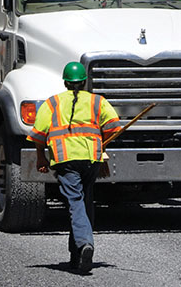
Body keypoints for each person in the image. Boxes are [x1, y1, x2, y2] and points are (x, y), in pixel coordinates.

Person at [27, 62, 122, 274]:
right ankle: (77, 256)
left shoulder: (52, 103)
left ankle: (84, 243)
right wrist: (100, 146)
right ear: (84, 81)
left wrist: (41, 158)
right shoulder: (98, 101)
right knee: (85, 203)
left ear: (65, 81)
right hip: (91, 159)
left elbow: (38, 134)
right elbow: (114, 127)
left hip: (66, 160)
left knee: (75, 203)